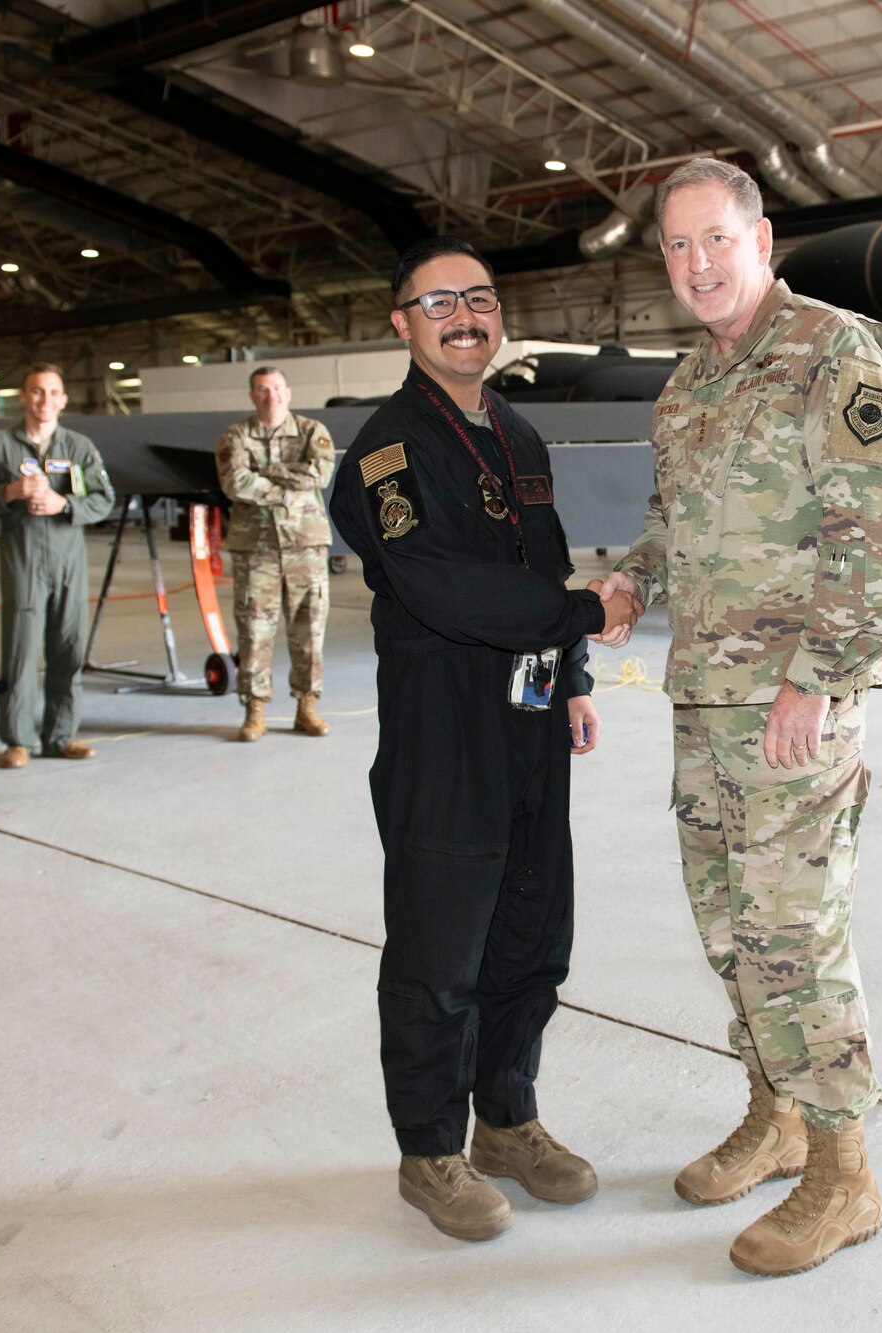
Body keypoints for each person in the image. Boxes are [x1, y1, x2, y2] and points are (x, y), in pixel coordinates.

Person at [591, 157, 882, 1277]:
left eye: (712, 240)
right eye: (676, 248)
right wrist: (631, 577)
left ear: (759, 236)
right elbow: (669, 523)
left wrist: (816, 680)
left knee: (795, 937)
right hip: (704, 706)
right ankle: (774, 1116)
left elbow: (872, 529)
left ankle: (843, 1174)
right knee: (731, 931)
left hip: (789, 705)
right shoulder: (687, 386)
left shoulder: (833, 350)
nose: (695, 265)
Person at [329, 236, 635, 1242]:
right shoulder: (384, 454)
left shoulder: (517, 433)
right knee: (438, 948)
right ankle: (429, 1151)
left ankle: (506, 1120)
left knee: (530, 936)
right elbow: (444, 586)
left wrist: (575, 676)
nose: (466, 315)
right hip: (444, 730)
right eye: (439, 302)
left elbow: (536, 567)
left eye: (480, 298)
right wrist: (588, 615)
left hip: (532, 718)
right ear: (402, 324)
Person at [0, 363, 116, 769]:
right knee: (21, 649)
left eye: (52, 392)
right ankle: (18, 740)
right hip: (23, 557)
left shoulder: (79, 448)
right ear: (23, 397)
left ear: (63, 400)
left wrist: (65, 504)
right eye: (36, 391)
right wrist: (9, 491)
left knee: (68, 646)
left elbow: (104, 499)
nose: (44, 400)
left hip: (69, 558)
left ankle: (61, 736)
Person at [215, 367, 337, 742]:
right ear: (252, 395)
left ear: (289, 391)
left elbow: (319, 474)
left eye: (277, 388)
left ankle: (307, 706)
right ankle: (254, 710)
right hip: (257, 549)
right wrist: (285, 489)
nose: (272, 396)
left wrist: (266, 473)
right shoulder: (236, 435)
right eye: (263, 390)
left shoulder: (312, 431)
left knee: (309, 630)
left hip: (306, 546)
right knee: (254, 631)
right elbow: (235, 482)